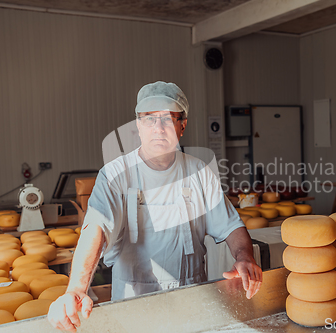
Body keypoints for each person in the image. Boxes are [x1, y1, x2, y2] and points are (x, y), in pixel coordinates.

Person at [48, 81, 262, 331]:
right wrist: (76, 289)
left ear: (182, 125)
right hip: (134, 306)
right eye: (149, 119)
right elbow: (95, 227)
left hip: (191, 301)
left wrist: (245, 257)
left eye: (168, 119)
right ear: (138, 126)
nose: (158, 128)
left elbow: (231, 225)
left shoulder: (199, 173)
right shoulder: (117, 174)